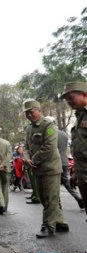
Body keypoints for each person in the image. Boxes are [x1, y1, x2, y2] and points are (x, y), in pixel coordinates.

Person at [23, 99, 68, 238]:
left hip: (50, 168)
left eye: (31, 112)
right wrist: (26, 159)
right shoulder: (29, 128)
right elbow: (26, 147)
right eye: (27, 114)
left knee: (50, 199)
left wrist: (33, 159)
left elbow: (49, 147)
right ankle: (59, 222)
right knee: (43, 198)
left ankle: (48, 226)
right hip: (37, 169)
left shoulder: (49, 125)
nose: (29, 116)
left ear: (39, 110)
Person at [44, 116, 84, 210]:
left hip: (54, 162)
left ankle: (58, 204)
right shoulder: (64, 134)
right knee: (66, 182)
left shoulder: (50, 133)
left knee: (54, 184)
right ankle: (78, 198)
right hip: (64, 161)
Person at [60, 82, 87, 220]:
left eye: (71, 97)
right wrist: (76, 172)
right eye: (66, 99)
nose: (68, 101)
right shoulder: (79, 115)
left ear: (84, 94)